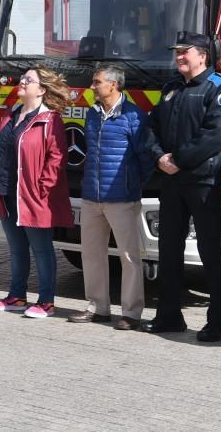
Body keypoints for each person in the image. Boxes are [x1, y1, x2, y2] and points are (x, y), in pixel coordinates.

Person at [142, 31, 221, 341]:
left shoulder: (219, 88)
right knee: (169, 250)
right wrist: (159, 158)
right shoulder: (171, 88)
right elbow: (151, 127)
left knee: (210, 252)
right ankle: (169, 315)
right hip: (171, 181)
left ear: (203, 56)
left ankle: (217, 322)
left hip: (203, 183)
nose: (179, 56)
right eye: (177, 51)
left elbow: (215, 136)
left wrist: (178, 159)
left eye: (185, 51)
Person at [68, 65, 154, 329]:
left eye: (97, 82)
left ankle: (131, 313)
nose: (92, 87)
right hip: (92, 198)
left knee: (129, 257)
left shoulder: (134, 117)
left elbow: (147, 157)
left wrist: (131, 184)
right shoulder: (93, 115)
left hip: (122, 199)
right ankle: (98, 308)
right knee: (92, 254)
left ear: (113, 85)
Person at [0, 67, 73, 318]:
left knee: (42, 249)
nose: (22, 82)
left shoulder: (50, 119)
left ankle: (46, 301)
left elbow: (56, 157)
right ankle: (17, 296)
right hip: (6, 190)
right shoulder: (9, 114)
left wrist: (42, 188)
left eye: (29, 80)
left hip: (33, 195)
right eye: (23, 78)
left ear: (42, 90)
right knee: (16, 248)